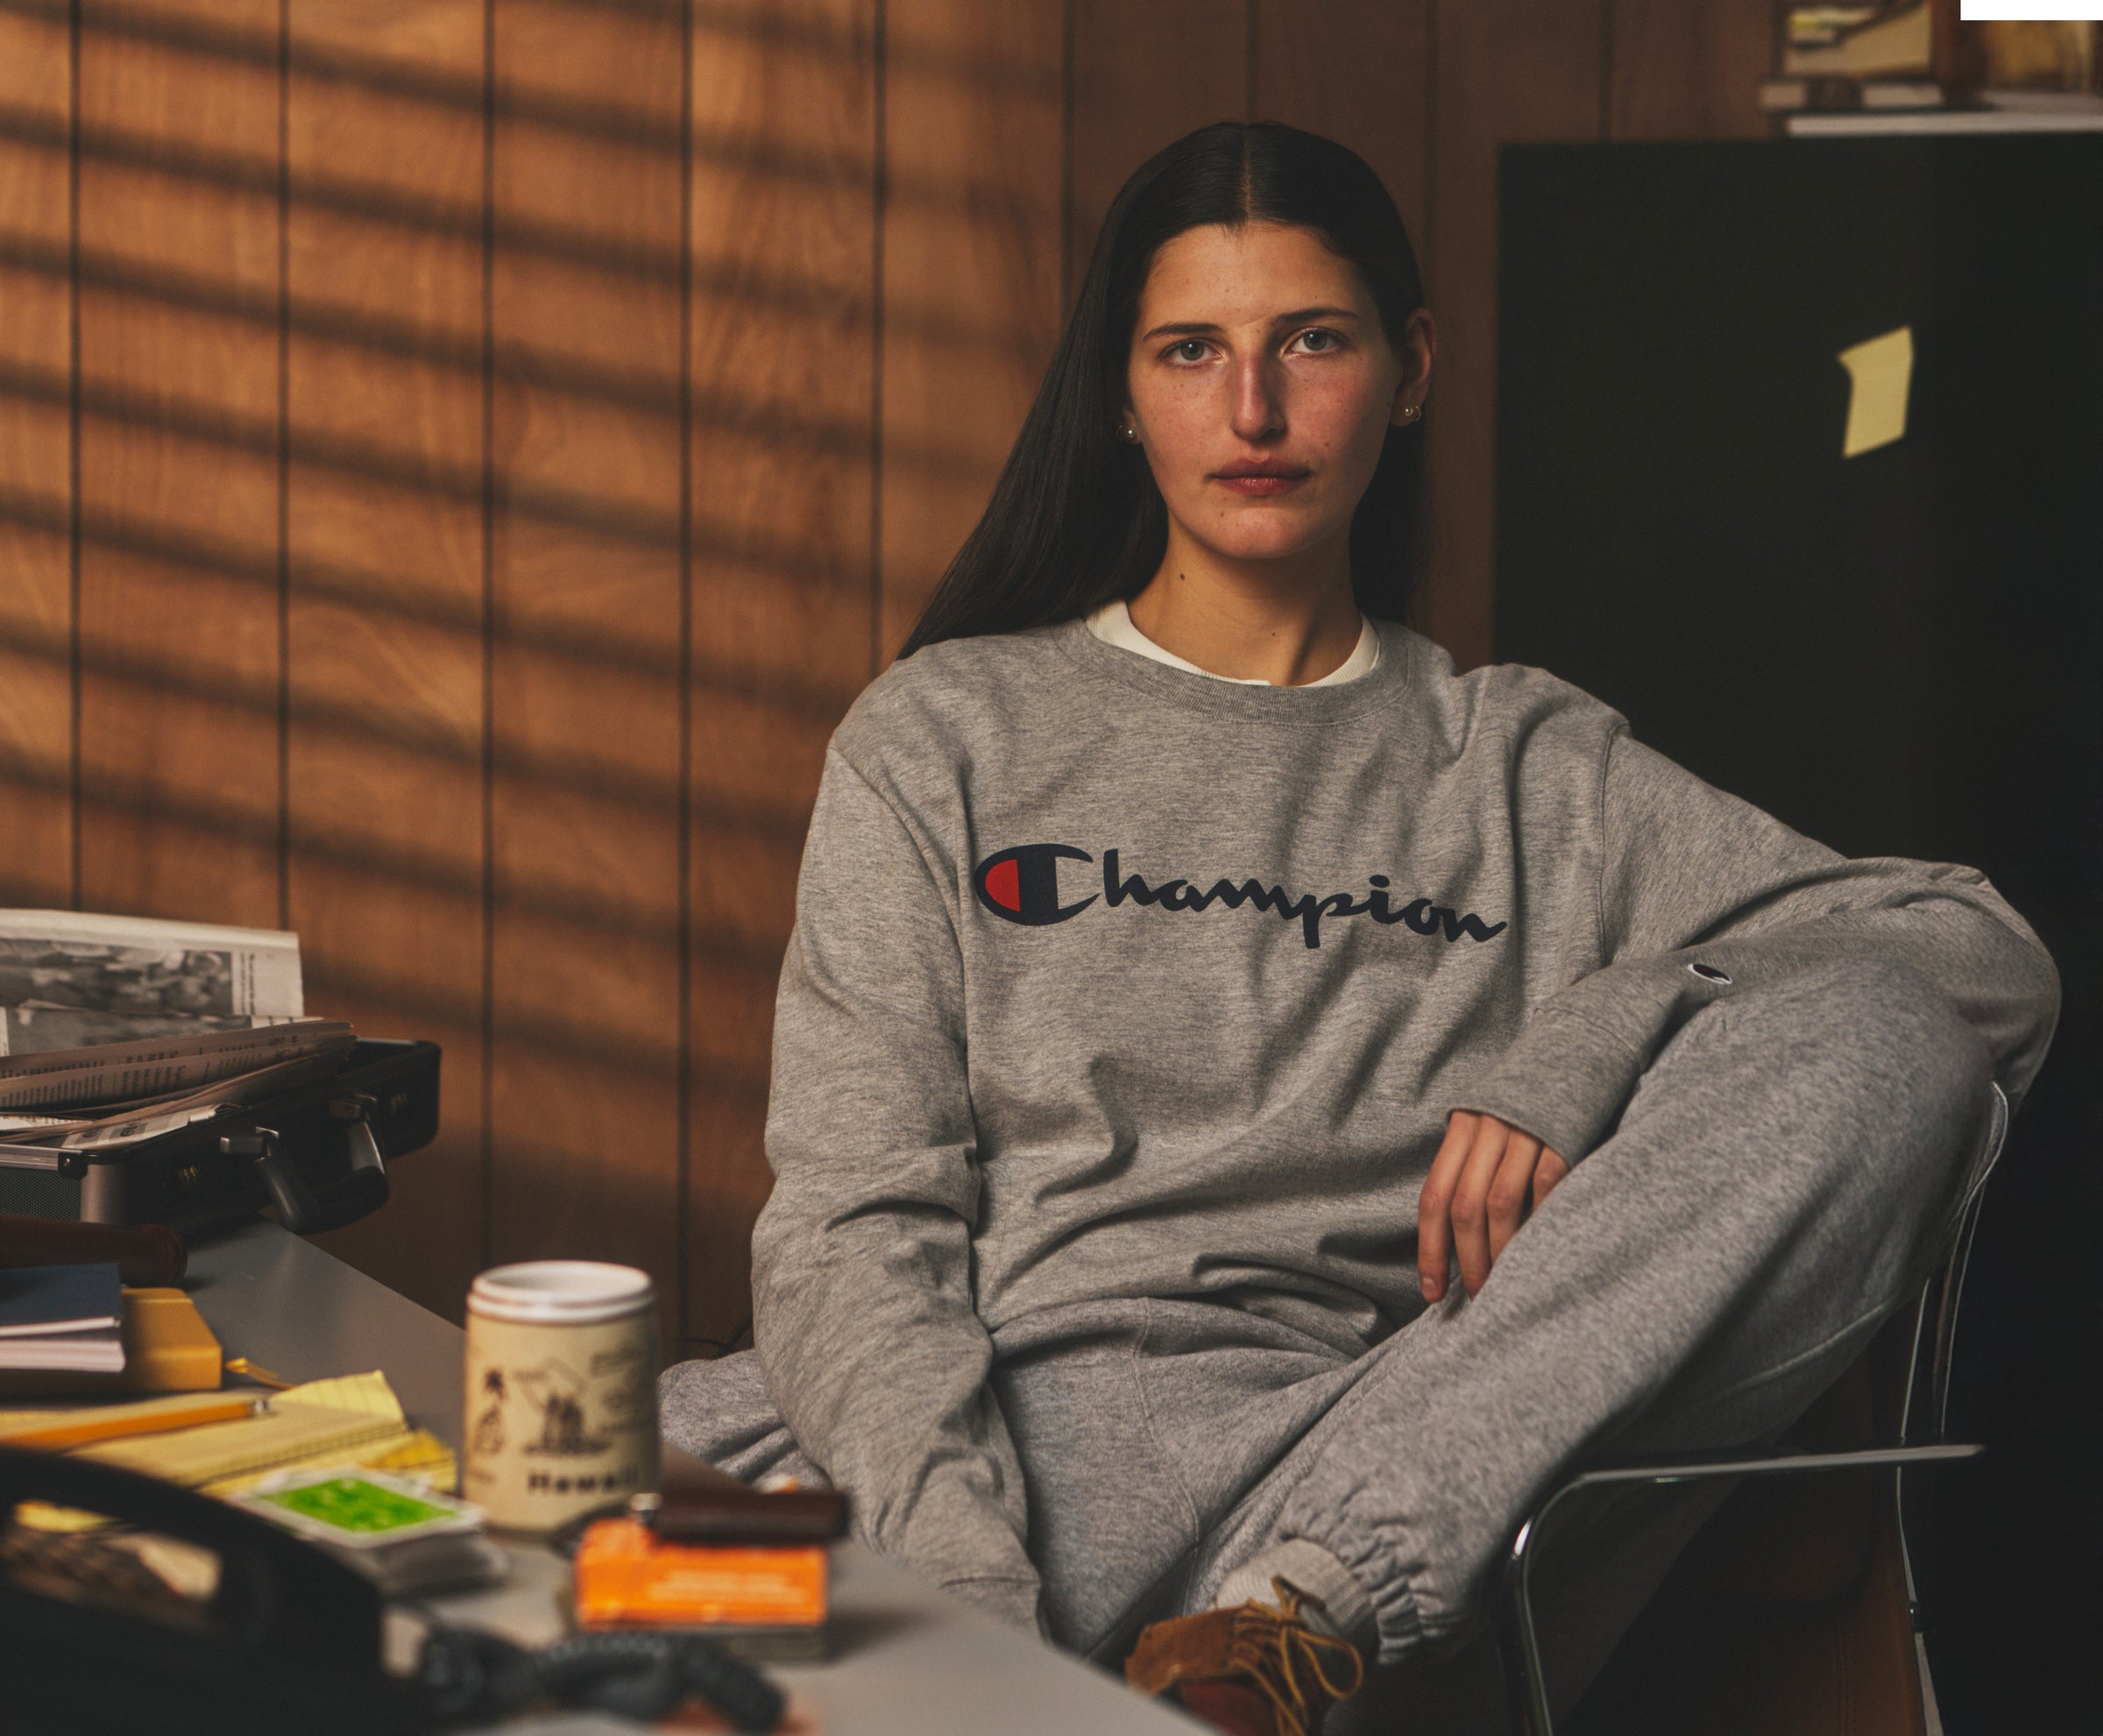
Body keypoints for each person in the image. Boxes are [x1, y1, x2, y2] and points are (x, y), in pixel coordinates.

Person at [661, 121, 2057, 1735]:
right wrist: (967, 1612)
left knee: (1881, 1037)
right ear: (1122, 393)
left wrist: (1600, 1034)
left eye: (1310, 342)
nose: (1252, 410)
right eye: (1193, 351)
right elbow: (852, 1221)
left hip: (1350, 1483)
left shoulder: (1527, 765)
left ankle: (1282, 1632)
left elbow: (1985, 958)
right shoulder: (947, 734)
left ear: (1409, 368)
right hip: (994, 1452)